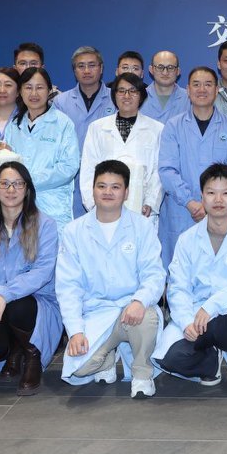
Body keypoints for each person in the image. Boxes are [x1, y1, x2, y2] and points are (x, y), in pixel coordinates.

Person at [154, 164, 227, 404]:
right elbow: (177, 286)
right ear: (202, 196)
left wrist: (212, 305)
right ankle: (209, 363)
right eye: (211, 193)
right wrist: (186, 321)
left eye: (226, 193)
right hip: (196, 318)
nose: (218, 200)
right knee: (170, 358)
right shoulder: (187, 239)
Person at [58, 160, 167, 398]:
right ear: (93, 189)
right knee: (79, 369)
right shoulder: (74, 231)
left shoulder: (142, 227)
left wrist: (139, 300)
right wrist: (75, 331)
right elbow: (68, 287)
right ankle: (106, 357)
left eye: (115, 187)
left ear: (126, 192)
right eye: (102, 186)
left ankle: (142, 374)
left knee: (147, 316)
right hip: (96, 312)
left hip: (131, 310)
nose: (108, 192)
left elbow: (154, 274)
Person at [0, 162, 63, 395]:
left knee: (19, 305)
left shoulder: (46, 225)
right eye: (5, 183)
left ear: (27, 189)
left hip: (35, 306)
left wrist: (4, 295)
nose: (11, 189)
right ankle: (14, 348)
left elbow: (42, 272)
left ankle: (31, 355)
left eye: (18, 184)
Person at [158, 67, 227, 266]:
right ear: (188, 90)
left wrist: (210, 203)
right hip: (182, 210)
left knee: (219, 270)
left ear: (217, 89)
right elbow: (167, 170)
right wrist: (190, 201)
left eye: (208, 84)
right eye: (196, 84)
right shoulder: (173, 126)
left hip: (219, 210)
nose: (202, 89)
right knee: (180, 271)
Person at [79, 73, 165, 222]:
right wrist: (93, 204)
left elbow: (159, 171)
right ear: (114, 95)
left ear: (141, 96)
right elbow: (88, 168)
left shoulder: (157, 129)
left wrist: (151, 202)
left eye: (133, 91)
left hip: (142, 209)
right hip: (103, 207)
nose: (127, 96)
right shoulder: (97, 128)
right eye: (121, 91)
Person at [3, 67, 80, 227]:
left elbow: (69, 167)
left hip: (53, 207)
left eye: (40, 87)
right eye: (28, 88)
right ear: (20, 91)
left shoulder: (62, 123)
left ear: (49, 90)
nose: (34, 94)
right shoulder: (14, 125)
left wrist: (27, 180)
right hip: (18, 205)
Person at [54, 46, 116, 217]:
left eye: (92, 65)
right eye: (81, 66)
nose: (86, 70)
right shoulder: (60, 102)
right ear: (74, 71)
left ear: (101, 68)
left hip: (107, 176)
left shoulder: (116, 98)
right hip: (71, 178)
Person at [141, 50, 190, 124]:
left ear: (178, 71)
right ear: (151, 70)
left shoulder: (189, 99)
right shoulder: (139, 97)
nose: (165, 72)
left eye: (170, 67)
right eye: (160, 67)